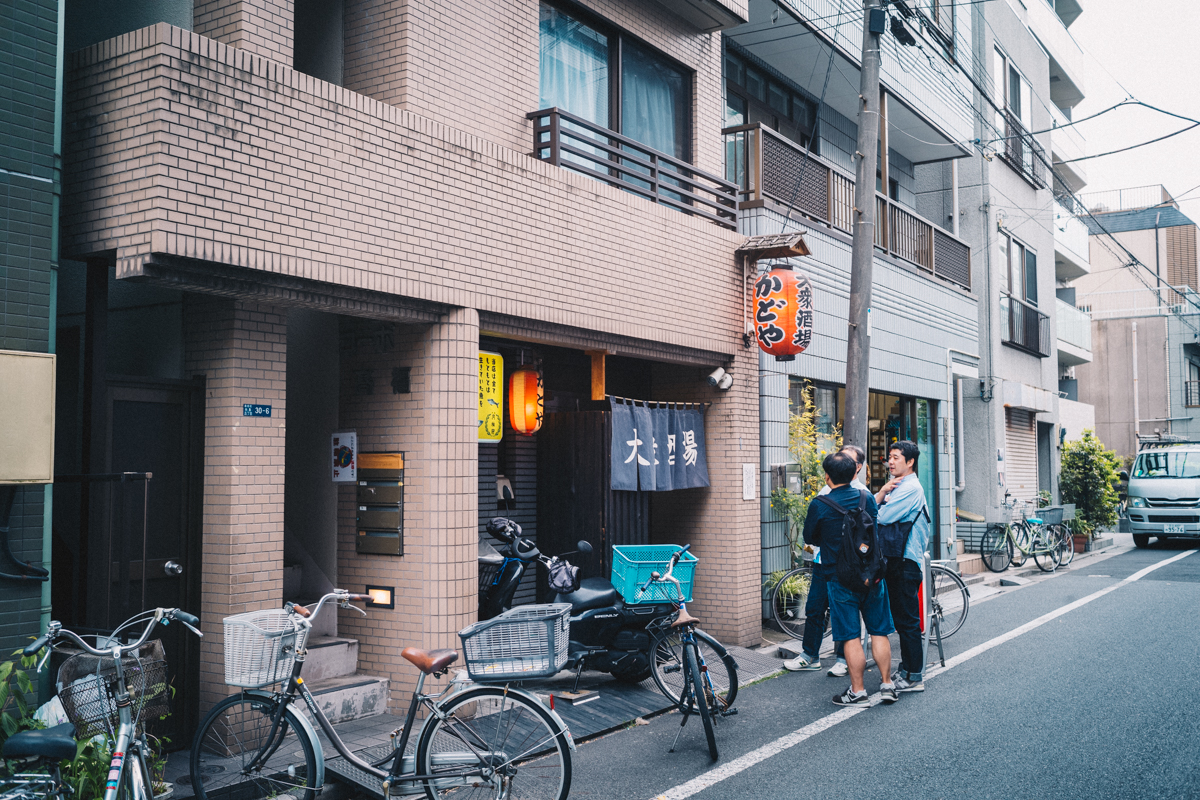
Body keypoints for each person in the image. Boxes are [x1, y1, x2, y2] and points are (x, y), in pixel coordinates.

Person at [797, 451, 896, 706]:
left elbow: (809, 537)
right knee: (879, 631)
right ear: (854, 474)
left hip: (839, 578)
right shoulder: (867, 498)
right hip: (872, 575)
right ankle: (887, 684)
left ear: (827, 476)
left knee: (851, 635)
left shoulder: (819, 504)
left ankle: (858, 690)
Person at [784, 445, 867, 677]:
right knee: (814, 608)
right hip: (823, 562)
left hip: (849, 566)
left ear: (857, 467)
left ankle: (844, 658)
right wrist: (811, 554)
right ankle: (810, 655)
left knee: (845, 611)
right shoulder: (825, 491)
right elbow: (811, 534)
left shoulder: (862, 495)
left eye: (847, 460)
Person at [875, 440, 930, 694]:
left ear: (910, 462)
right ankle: (908, 669)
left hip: (905, 561)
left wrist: (881, 498)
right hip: (899, 560)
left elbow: (883, 517)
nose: (891, 461)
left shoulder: (910, 488)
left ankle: (914, 675)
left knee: (907, 621)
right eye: (890, 457)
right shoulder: (900, 485)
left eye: (896, 457)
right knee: (902, 619)